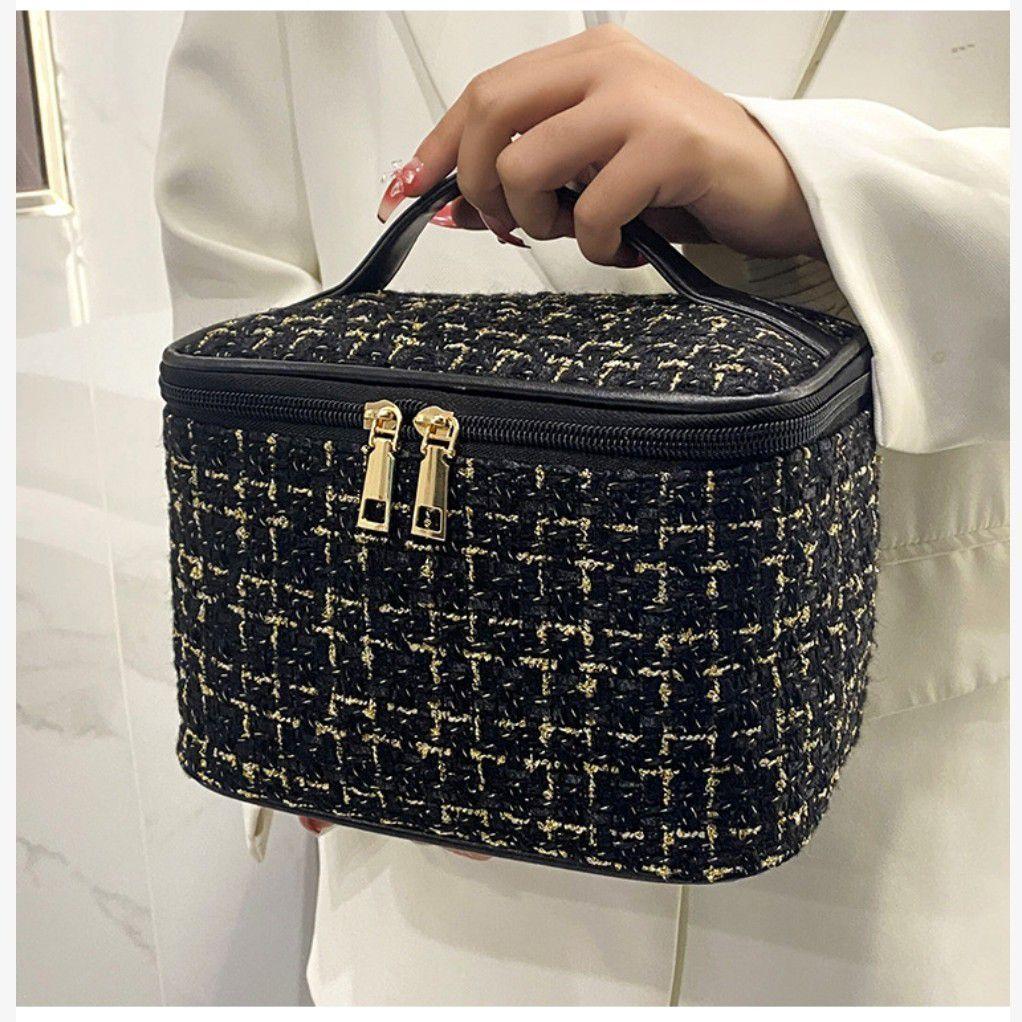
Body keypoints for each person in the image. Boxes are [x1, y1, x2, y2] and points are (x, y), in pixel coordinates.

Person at [155, 14, 1008, 1006]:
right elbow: (234, 274)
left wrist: (810, 180)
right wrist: (297, 649)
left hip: (887, 843)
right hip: (422, 883)